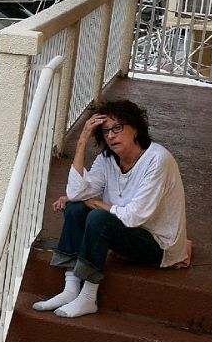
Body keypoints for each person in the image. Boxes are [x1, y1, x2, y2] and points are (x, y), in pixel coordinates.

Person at [33, 99, 189, 318]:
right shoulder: (108, 159)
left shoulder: (157, 160)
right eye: (106, 131)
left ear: (135, 128)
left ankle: (88, 297)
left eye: (118, 128)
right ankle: (70, 288)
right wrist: (81, 142)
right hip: (126, 232)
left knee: (98, 218)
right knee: (76, 208)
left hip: (157, 244)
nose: (111, 135)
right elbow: (78, 194)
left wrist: (97, 203)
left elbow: (134, 216)